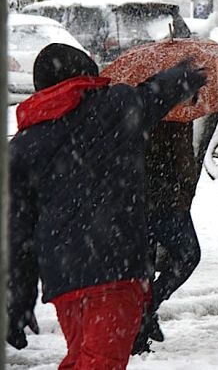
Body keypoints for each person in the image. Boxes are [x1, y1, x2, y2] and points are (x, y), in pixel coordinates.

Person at [6, 43, 207, 369]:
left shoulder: (23, 146)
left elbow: (18, 234)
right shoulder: (115, 107)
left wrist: (19, 299)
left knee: (82, 358)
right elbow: (153, 94)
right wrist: (186, 74)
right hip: (115, 272)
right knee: (99, 363)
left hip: (64, 282)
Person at [131, 120, 202, 354]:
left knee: (144, 267)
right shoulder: (176, 114)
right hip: (165, 200)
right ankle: (148, 308)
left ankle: (139, 333)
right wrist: (185, 191)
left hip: (134, 195)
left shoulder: (130, 105)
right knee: (188, 254)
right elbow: (184, 162)